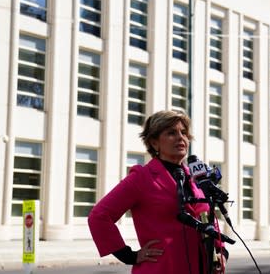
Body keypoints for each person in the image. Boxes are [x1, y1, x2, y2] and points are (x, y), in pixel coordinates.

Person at [88, 110, 228, 274]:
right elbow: (99, 215)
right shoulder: (142, 177)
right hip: (161, 268)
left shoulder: (196, 178)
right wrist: (128, 255)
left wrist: (221, 252)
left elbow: (208, 217)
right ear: (154, 143)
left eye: (183, 132)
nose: (180, 137)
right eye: (171, 133)